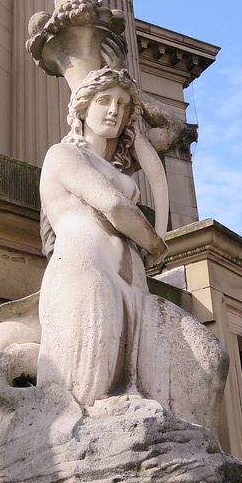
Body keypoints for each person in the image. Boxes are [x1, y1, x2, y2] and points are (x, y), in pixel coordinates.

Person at [36, 66, 170, 405]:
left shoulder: (117, 167)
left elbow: (172, 131)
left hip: (134, 285)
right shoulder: (64, 154)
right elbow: (113, 206)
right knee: (90, 395)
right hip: (88, 271)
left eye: (123, 104)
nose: (114, 110)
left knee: (210, 357)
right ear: (82, 107)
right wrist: (156, 244)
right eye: (104, 100)